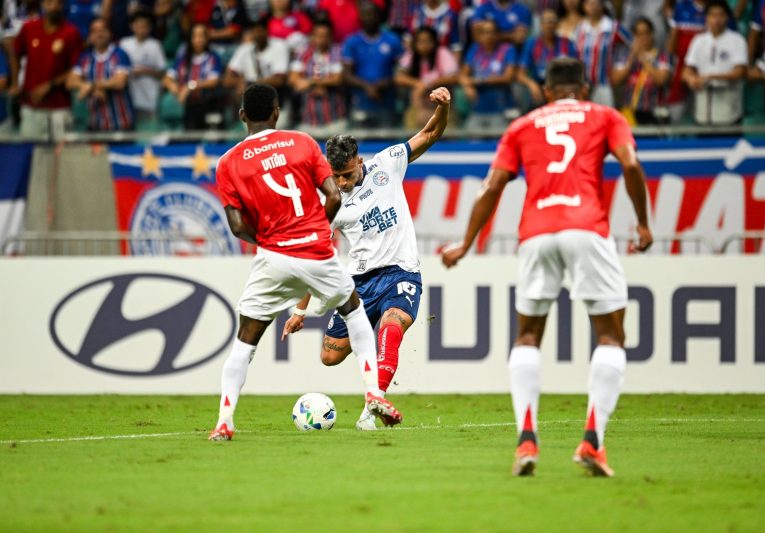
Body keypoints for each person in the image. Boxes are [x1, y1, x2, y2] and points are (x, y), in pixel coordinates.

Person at [441, 57, 652, 477]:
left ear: (546, 91)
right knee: (610, 335)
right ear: (585, 88)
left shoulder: (522, 125)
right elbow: (629, 163)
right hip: (587, 228)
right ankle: (592, 441)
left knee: (527, 336)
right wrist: (643, 222)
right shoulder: (605, 116)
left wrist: (466, 242)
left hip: (536, 232)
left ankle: (526, 440)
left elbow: (493, 185)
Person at [209, 83, 403, 441]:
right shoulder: (301, 142)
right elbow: (333, 196)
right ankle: (374, 392)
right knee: (354, 309)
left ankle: (224, 420)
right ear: (277, 112)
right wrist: (315, 228)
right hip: (315, 250)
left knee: (245, 340)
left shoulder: (228, 163)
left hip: (273, 254)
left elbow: (237, 225)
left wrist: (269, 240)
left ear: (241, 116)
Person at [282, 87, 451, 430]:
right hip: (358, 282)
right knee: (329, 356)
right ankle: (373, 370)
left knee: (392, 325)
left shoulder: (388, 164)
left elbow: (431, 132)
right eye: (336, 175)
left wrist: (443, 108)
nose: (341, 182)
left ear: (359, 161)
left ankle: (371, 408)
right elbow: (317, 253)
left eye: (346, 173)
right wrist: (301, 309)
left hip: (401, 271)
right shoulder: (331, 201)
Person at [13, 0, 83, 139]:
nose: (54, 7)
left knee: (62, 155)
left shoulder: (71, 32)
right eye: (49, 3)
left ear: (62, 6)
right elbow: (15, 54)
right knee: (30, 152)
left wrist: (49, 85)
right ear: (42, 4)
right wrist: (15, 83)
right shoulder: (28, 28)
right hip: (32, 104)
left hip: (60, 106)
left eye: (58, 3)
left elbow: (76, 68)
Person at [682, 0, 747, 125]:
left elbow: (739, 72)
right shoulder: (698, 41)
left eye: (720, 15)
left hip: (729, 110)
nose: (716, 20)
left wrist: (710, 77)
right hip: (703, 111)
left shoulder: (737, 40)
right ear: (707, 18)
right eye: (712, 15)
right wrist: (691, 79)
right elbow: (687, 70)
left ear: (727, 17)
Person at [342, 2, 404, 127]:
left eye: (372, 14)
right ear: (360, 17)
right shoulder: (352, 42)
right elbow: (347, 74)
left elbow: (402, 71)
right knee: (359, 144)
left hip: (386, 102)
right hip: (360, 102)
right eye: (365, 14)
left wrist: (384, 83)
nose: (369, 18)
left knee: (388, 144)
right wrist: (367, 87)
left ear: (379, 16)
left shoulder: (393, 40)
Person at [67, 17, 135, 131]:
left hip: (121, 124)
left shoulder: (120, 54)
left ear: (110, 33)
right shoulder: (84, 57)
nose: (99, 34)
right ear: (90, 36)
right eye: (95, 31)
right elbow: (70, 81)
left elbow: (120, 82)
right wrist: (92, 89)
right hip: (95, 125)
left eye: (103, 30)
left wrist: (91, 86)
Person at [288, 19, 347, 132]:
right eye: (318, 36)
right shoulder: (303, 54)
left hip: (335, 120)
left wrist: (311, 82)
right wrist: (322, 84)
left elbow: (338, 79)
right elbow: (293, 79)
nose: (322, 39)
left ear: (330, 37)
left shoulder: (337, 52)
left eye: (325, 36)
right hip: (309, 120)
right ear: (312, 36)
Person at [611, 16, 672, 125]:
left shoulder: (662, 56)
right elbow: (616, 80)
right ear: (634, 36)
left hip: (654, 111)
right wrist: (631, 61)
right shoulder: (624, 55)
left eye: (646, 33)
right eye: (639, 34)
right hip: (629, 111)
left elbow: (661, 80)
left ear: (652, 34)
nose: (643, 37)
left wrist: (643, 59)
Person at [163, 23, 223, 130]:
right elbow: (167, 79)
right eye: (195, 36)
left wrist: (190, 86)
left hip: (209, 104)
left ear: (207, 38)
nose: (198, 39)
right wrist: (175, 88)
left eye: (202, 36)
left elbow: (213, 81)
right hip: (189, 107)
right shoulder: (183, 59)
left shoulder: (213, 58)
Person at [395, 26, 459, 127]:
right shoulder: (411, 56)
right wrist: (418, 83)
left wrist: (428, 84)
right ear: (415, 43)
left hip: (442, 109)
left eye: (428, 41)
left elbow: (454, 77)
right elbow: (399, 78)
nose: (424, 45)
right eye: (420, 42)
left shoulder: (442, 53)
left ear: (435, 42)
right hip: (418, 108)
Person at [460, 19, 517, 130]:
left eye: (492, 32)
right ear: (480, 35)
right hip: (477, 109)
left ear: (498, 34)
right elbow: (463, 75)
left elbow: (508, 77)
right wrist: (467, 86)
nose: (489, 36)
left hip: (501, 108)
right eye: (485, 32)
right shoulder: (475, 49)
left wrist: (481, 80)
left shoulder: (507, 49)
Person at [574, 0, 630, 106]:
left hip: (604, 82)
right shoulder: (580, 28)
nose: (593, 7)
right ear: (584, 7)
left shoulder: (613, 27)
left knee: (605, 116)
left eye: (596, 4)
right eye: (590, 4)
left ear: (602, 6)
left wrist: (622, 64)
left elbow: (632, 45)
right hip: (583, 83)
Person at [518, 7, 577, 107]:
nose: (550, 25)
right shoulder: (532, 43)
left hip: (561, 85)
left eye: (553, 21)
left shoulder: (567, 43)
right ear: (540, 25)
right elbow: (520, 74)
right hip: (539, 84)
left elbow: (575, 70)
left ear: (558, 24)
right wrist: (532, 85)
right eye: (546, 21)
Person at [120, 11, 167, 125]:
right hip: (129, 92)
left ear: (150, 28)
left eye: (144, 26)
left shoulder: (155, 45)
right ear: (132, 26)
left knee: (149, 126)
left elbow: (162, 72)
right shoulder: (124, 44)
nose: (141, 29)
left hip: (149, 92)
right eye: (138, 25)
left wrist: (145, 71)